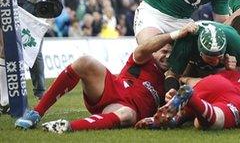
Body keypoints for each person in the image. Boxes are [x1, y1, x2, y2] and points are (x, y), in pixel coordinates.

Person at [13, 24, 198, 133]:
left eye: (171, 53)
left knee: (126, 115)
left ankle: (67, 127)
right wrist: (175, 34)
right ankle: (36, 113)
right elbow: (143, 49)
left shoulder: (171, 79)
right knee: (85, 61)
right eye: (163, 51)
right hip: (110, 88)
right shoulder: (144, 59)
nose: (166, 56)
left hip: (127, 109)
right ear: (154, 51)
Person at [136, 70, 240, 130]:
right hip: (237, 98)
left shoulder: (235, 73)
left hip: (212, 82)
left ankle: (171, 119)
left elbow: (205, 80)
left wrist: (185, 79)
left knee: (191, 114)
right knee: (215, 120)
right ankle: (190, 98)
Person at [164, 21, 240, 93]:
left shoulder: (236, 44)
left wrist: (232, 70)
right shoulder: (186, 41)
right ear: (200, 53)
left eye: (219, 57)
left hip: (229, 40)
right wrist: (171, 93)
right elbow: (172, 75)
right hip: (192, 61)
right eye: (210, 59)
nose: (215, 61)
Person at [22, 0, 63, 99]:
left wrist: (44, 5)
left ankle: (41, 93)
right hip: (16, 18)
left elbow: (58, 7)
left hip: (35, 25)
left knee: (36, 55)